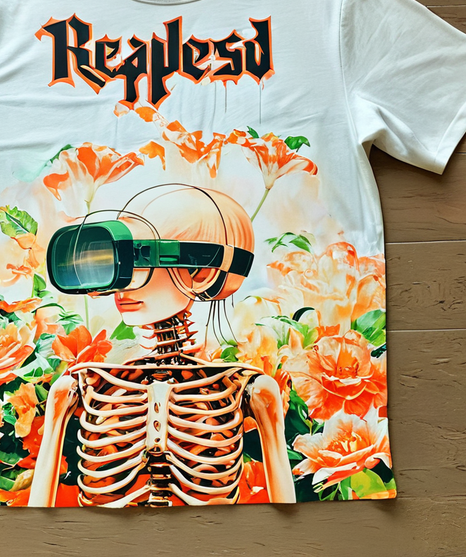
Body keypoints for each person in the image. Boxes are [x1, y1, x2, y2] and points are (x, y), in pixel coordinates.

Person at [28, 184, 296, 507]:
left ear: (202, 272)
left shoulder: (252, 389)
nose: (122, 285)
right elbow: (38, 512)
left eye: (139, 258)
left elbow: (286, 511)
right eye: (117, 262)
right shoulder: (77, 386)